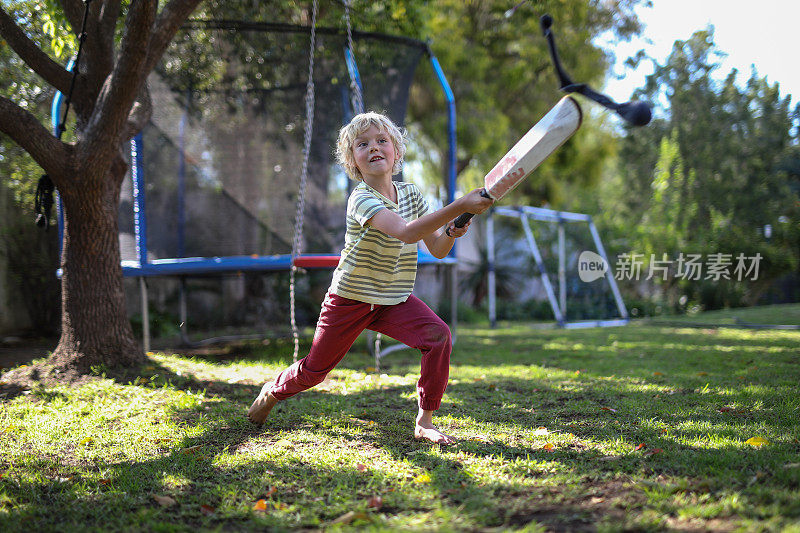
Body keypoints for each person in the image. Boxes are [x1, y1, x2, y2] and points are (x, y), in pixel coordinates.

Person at [248, 111, 493, 444]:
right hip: (350, 299)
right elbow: (405, 233)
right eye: (363, 144)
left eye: (382, 140)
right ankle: (272, 391)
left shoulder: (412, 195)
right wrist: (461, 202)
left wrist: (451, 229)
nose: (374, 147)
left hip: (393, 298)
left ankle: (425, 421)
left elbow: (436, 248)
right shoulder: (361, 198)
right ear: (353, 161)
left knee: (438, 336)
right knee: (315, 372)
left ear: (396, 151)